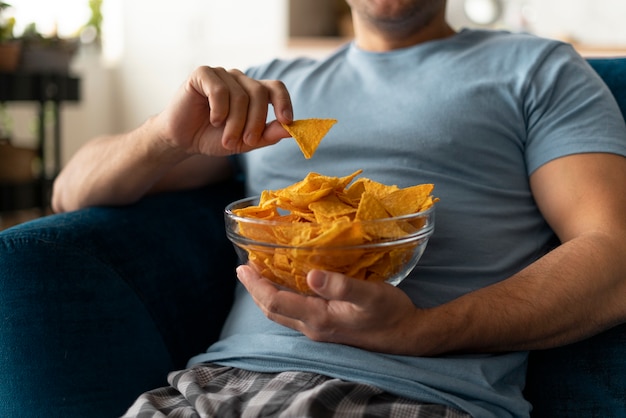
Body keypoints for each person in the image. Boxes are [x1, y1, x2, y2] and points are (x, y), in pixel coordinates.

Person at [50, 0, 626, 417]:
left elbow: (614, 255)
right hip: (215, 389)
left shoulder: (540, 69)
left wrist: (418, 331)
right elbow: (70, 194)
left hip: (412, 396)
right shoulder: (273, 88)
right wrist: (162, 137)